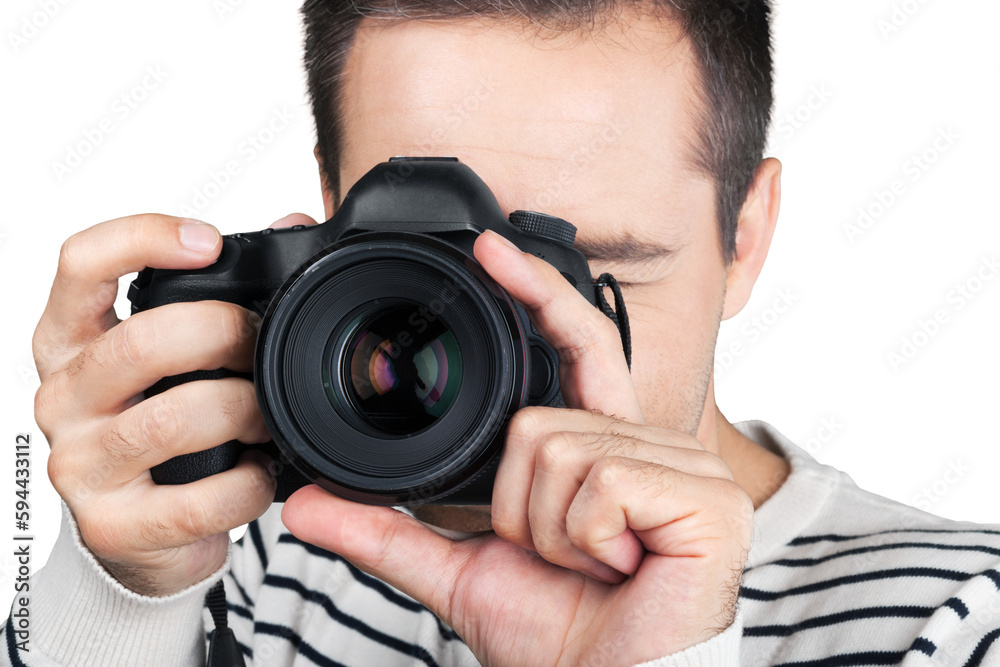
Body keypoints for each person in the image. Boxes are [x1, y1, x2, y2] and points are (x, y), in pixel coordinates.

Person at [5, 0, 1000, 665]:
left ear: (746, 235)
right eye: (427, 258)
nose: (494, 354)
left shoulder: (961, 624)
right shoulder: (247, 552)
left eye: (590, 273)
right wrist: (118, 597)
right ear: (327, 206)